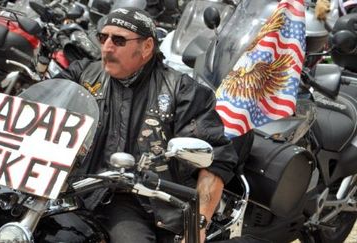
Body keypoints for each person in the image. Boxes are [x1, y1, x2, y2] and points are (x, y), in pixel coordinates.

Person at [56, 7, 238, 243]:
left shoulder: (181, 91)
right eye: (103, 37)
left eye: (119, 40)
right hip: (73, 187)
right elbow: (41, 110)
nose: (107, 47)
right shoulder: (83, 75)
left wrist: (197, 226)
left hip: (136, 200)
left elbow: (216, 159)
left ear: (147, 47)